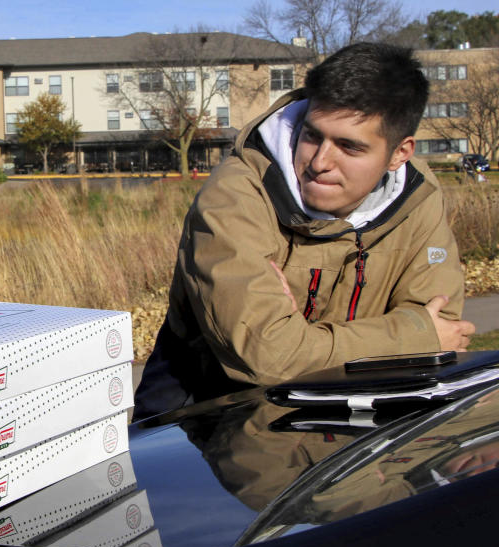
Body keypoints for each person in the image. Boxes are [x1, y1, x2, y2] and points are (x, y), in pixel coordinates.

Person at [133, 43, 476, 418]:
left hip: (351, 413)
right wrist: (413, 337)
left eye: (349, 146)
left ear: (399, 154)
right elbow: (268, 357)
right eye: (312, 135)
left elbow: (444, 324)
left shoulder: (418, 196)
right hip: (210, 411)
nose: (318, 162)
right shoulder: (236, 195)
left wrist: (306, 343)